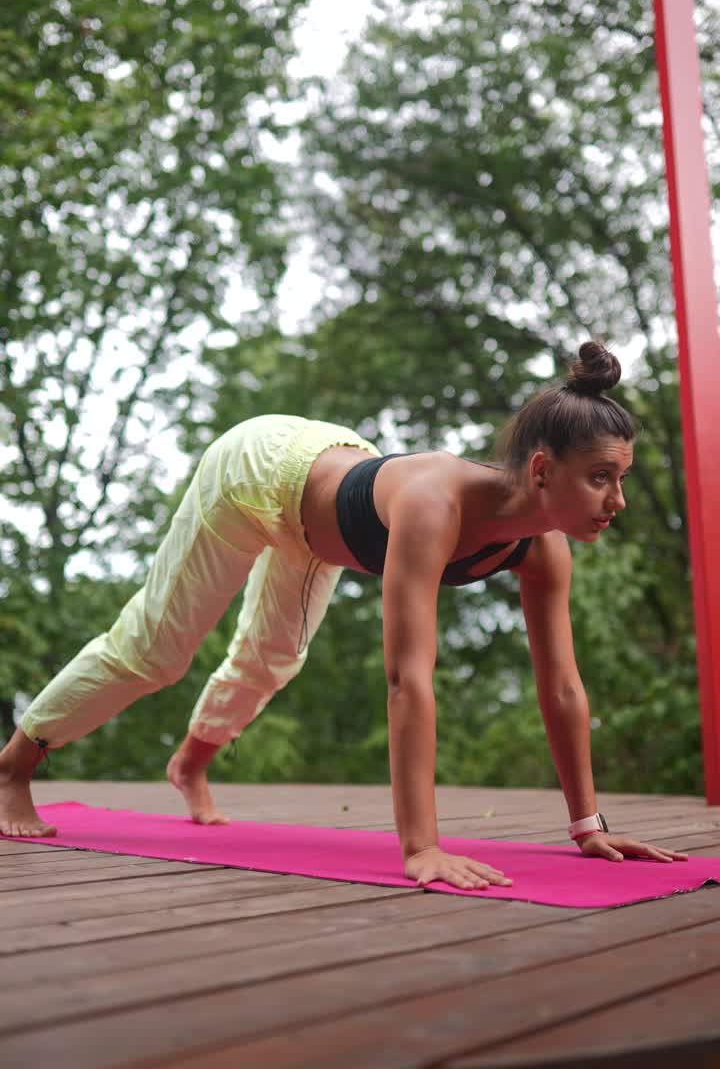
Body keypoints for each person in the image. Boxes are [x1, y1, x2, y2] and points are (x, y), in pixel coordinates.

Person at [0, 340, 688, 888]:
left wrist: (587, 824)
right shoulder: (435, 505)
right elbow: (407, 679)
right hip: (258, 474)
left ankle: (190, 763)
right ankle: (15, 765)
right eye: (602, 477)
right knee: (159, 649)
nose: (617, 501)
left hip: (323, 505)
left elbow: (563, 687)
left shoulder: (544, 551)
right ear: (541, 471)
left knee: (275, 656)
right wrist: (421, 847)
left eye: (621, 478)